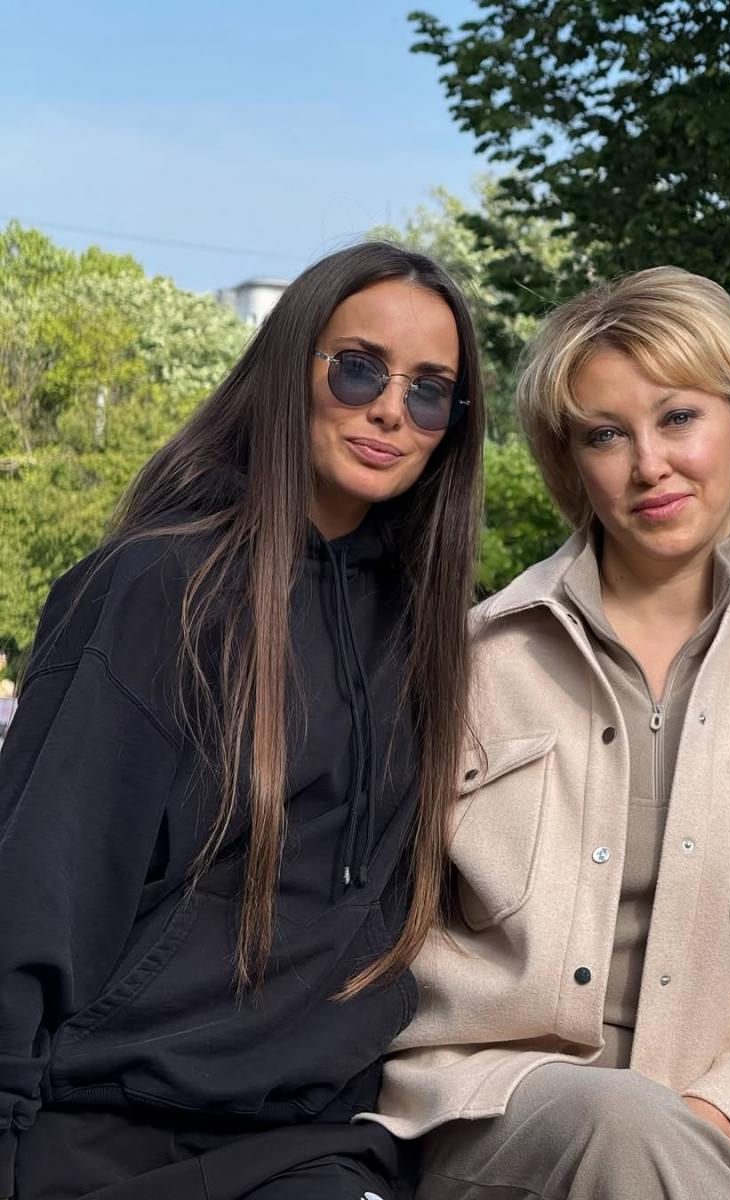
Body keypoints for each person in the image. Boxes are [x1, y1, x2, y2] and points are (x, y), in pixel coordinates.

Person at [365, 268, 730, 1200]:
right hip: (494, 1124)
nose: (649, 464)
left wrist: (727, 1115)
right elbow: (380, 915)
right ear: (571, 462)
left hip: (724, 1154)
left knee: (644, 1137)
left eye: (679, 418)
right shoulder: (469, 664)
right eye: (606, 434)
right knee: (623, 1122)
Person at [0, 242, 484, 1200]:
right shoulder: (158, 587)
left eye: (431, 391)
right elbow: (42, 883)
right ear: (291, 365)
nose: (392, 410)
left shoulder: (431, 632)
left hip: (311, 1140)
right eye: (359, 368)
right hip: (104, 1126)